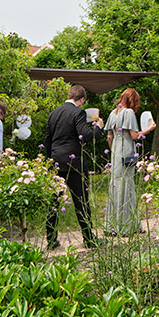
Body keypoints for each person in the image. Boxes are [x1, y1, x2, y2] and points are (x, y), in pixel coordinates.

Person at [44, 84, 104, 250]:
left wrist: (50, 161)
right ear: (82, 99)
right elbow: (85, 135)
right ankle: (88, 239)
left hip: (55, 162)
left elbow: (47, 140)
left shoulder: (53, 113)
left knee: (53, 202)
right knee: (81, 202)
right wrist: (98, 128)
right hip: (74, 163)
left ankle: (50, 240)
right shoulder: (78, 112)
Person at [104, 88, 153, 236]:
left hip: (116, 152)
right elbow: (134, 136)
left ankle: (111, 226)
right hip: (126, 152)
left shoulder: (113, 113)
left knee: (115, 186)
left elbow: (109, 136)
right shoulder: (129, 113)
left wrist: (114, 152)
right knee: (127, 186)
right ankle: (127, 226)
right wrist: (149, 129)